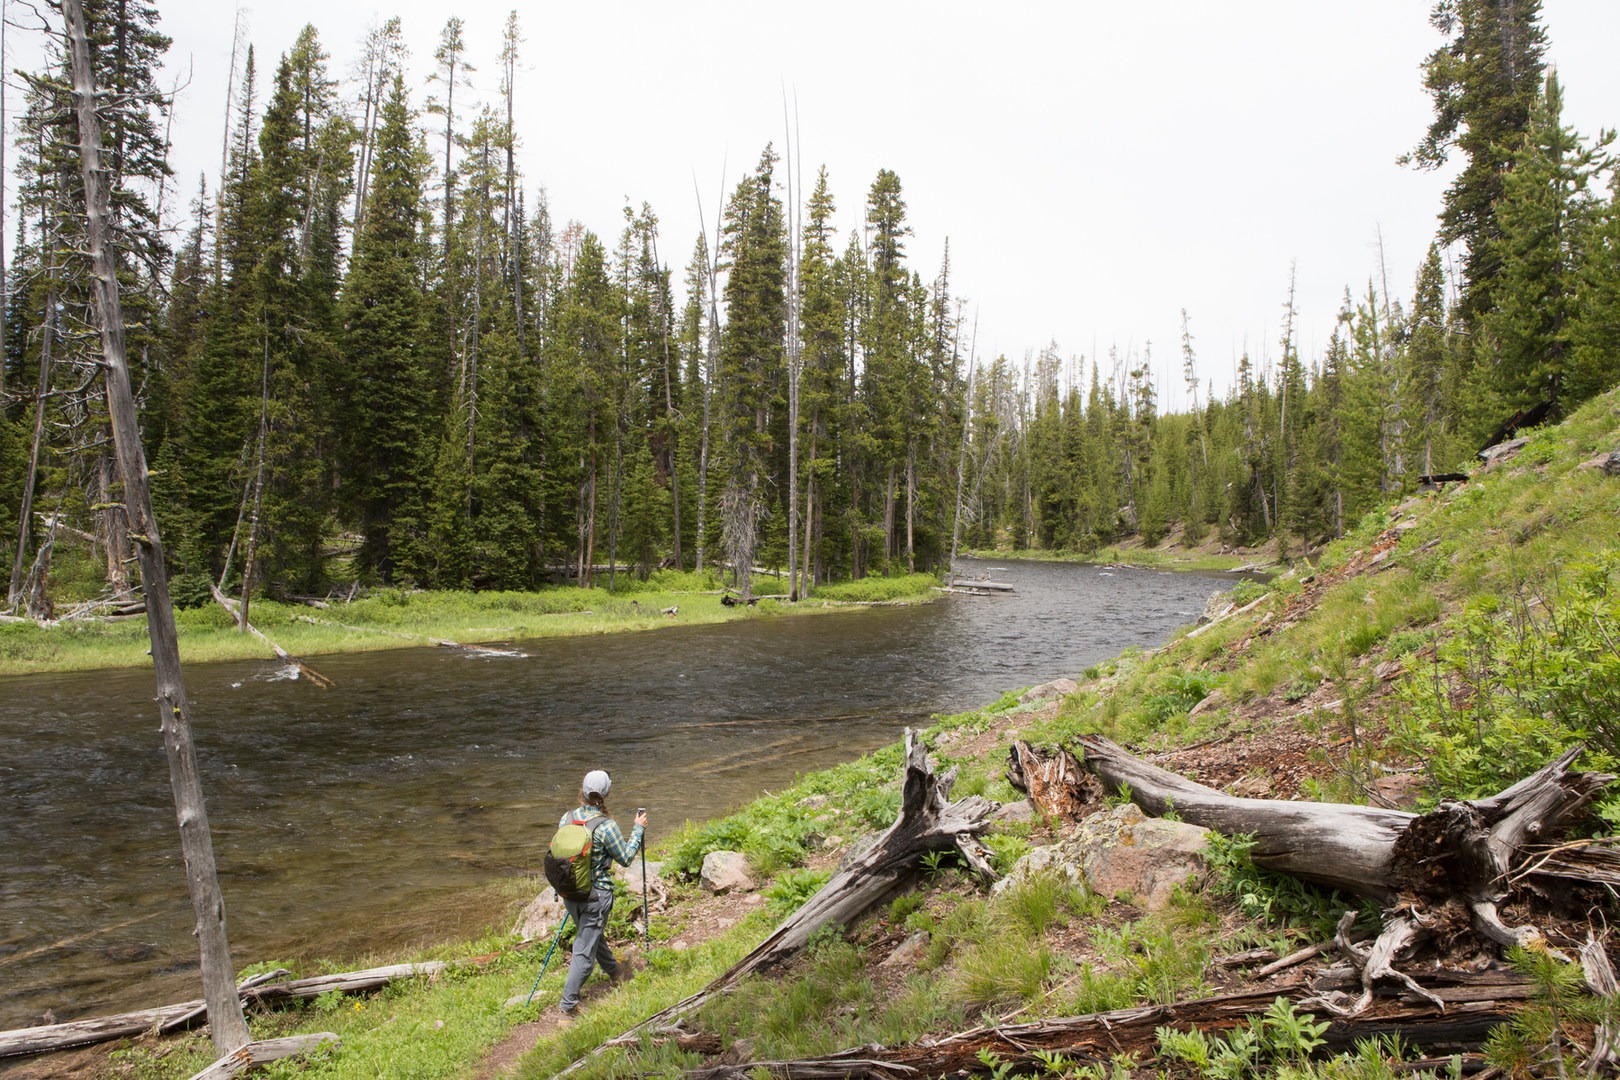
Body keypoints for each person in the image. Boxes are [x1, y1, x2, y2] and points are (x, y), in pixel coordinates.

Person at [556, 769, 646, 1023]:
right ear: (606, 794)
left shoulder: (567, 818)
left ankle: (616, 972)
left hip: (571, 893)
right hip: (596, 896)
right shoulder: (606, 826)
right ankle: (567, 1008)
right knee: (584, 949)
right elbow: (626, 858)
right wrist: (637, 830)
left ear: (582, 792)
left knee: (590, 935)